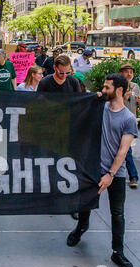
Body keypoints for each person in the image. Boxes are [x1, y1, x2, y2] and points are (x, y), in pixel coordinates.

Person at [67, 73, 138, 267]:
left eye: (108, 87)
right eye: (104, 87)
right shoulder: (101, 107)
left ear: (119, 90)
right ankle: (81, 228)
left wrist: (110, 175)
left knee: (117, 213)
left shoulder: (128, 119)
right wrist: (92, 98)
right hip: (92, 169)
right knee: (85, 204)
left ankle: (118, 252)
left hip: (115, 173)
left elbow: (123, 151)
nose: (104, 90)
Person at [37, 55, 81, 220]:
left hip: (68, 129)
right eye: (61, 73)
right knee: (50, 163)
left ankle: (70, 202)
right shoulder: (46, 82)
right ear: (55, 68)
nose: (64, 76)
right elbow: (39, 104)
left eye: (67, 72)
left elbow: (79, 102)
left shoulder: (73, 82)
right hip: (50, 129)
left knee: (69, 165)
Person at [119, 63, 140, 188]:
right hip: (118, 122)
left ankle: (133, 176)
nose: (129, 74)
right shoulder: (118, 86)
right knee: (124, 150)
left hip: (130, 122)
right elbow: (112, 104)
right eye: (126, 72)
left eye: (131, 72)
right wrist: (124, 98)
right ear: (121, 73)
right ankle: (131, 176)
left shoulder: (135, 86)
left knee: (126, 150)